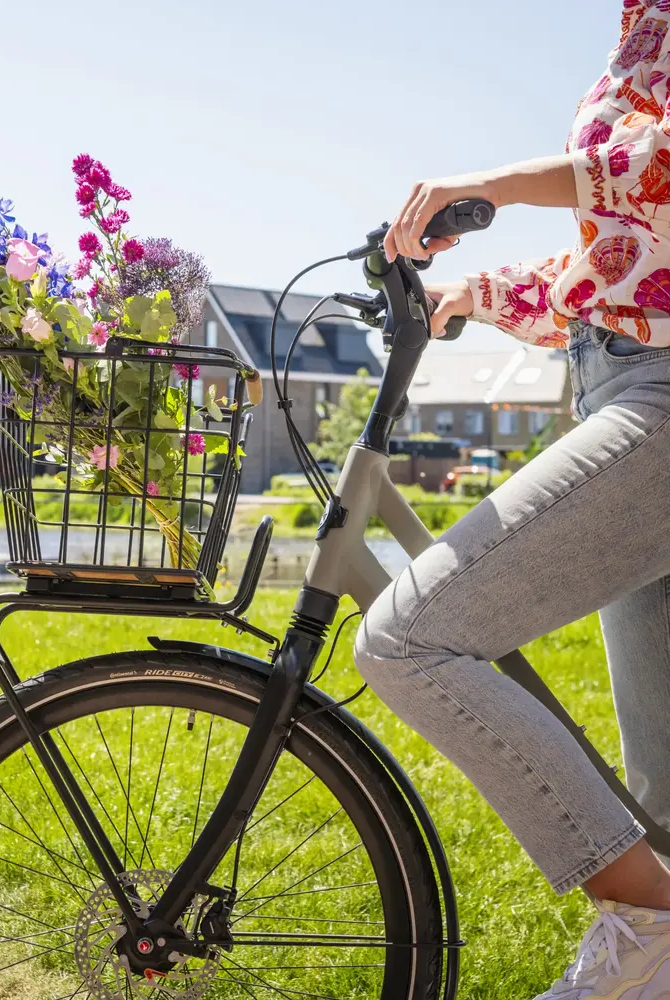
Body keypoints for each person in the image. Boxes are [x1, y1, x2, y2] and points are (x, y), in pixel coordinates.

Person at [353, 3, 670, 997]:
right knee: (662, 799)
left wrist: (489, 183)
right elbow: (620, 261)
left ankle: (649, 937)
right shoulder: (640, 29)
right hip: (625, 380)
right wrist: (474, 294)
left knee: (406, 637)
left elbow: (649, 166)